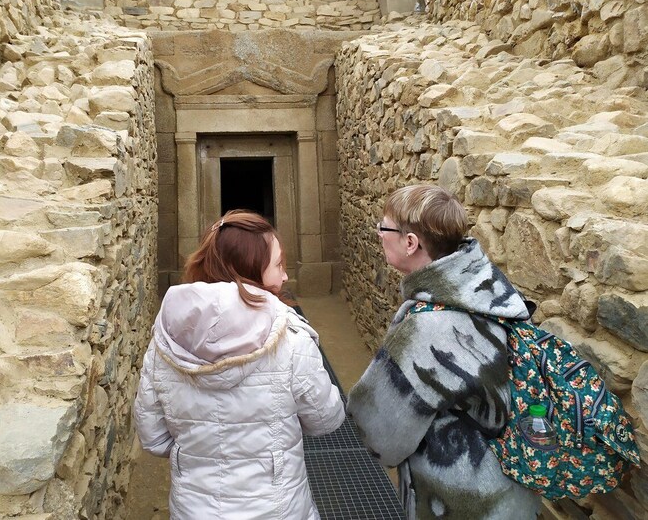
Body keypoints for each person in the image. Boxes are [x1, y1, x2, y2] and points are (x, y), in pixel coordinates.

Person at [133, 210, 345, 519]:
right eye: (278, 265)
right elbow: (326, 418)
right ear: (250, 270)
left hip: (195, 509)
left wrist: (195, 451)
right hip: (278, 507)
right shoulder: (290, 337)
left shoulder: (167, 342)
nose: (285, 276)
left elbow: (152, 436)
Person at [347, 184, 541, 520]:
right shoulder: (490, 289)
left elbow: (379, 434)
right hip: (514, 492)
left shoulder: (425, 329)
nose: (378, 233)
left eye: (384, 227)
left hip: (462, 501)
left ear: (410, 243)